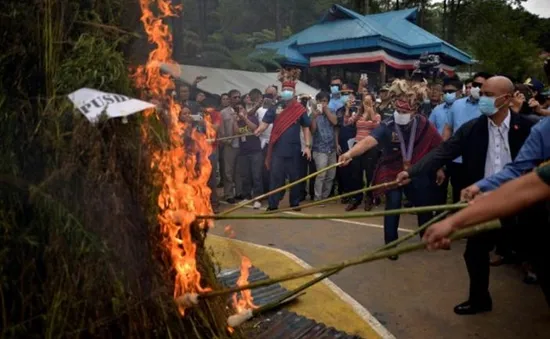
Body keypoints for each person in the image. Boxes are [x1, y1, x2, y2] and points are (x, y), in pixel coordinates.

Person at [397, 76, 536, 315]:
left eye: (488, 95)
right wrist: (412, 172)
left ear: (507, 99)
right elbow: (443, 152)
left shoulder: (527, 128)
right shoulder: (472, 129)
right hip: (485, 202)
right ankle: (480, 299)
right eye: (481, 93)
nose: (482, 99)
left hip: (523, 201)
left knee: (536, 251)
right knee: (474, 253)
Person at [338, 92, 443, 257]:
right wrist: (349, 154)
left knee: (424, 204)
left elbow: (438, 146)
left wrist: (439, 168)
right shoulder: (388, 124)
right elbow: (368, 141)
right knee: (393, 205)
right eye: (398, 111)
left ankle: (426, 237)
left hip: (416, 170)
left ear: (414, 112)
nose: (399, 115)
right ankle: (391, 245)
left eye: (404, 113)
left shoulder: (424, 124)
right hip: (392, 170)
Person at [254, 69, 312, 211]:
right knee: (275, 178)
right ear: (281, 91)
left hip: (293, 150)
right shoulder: (275, 107)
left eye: (289, 90)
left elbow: (306, 128)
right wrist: (259, 129)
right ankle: (273, 205)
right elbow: (265, 122)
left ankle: (295, 203)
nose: (286, 91)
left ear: (293, 91)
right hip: (277, 149)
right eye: (284, 89)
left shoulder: (299, 109)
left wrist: (308, 146)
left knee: (295, 178)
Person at [443, 72, 493, 203]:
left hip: (480, 162)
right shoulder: (457, 104)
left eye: (480, 85)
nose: (476, 88)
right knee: (458, 198)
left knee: (478, 200)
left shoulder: (489, 107)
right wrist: (444, 152)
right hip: (457, 161)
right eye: (475, 84)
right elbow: (448, 128)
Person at [428, 77, 463, 204]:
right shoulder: (437, 110)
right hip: (441, 156)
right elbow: (430, 133)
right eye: (446, 91)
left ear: (460, 92)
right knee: (438, 191)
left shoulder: (465, 109)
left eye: (451, 91)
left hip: (460, 159)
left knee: (459, 192)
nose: (448, 94)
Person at [345, 93, 381, 211]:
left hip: (370, 147)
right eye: (364, 102)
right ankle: (356, 198)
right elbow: (347, 122)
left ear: (374, 103)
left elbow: (378, 129)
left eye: (369, 101)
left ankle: (369, 198)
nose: (366, 104)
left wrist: (371, 113)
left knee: (370, 174)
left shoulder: (377, 116)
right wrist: (347, 110)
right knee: (355, 173)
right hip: (358, 145)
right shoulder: (359, 115)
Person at [233, 101, 263, 209]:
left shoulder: (252, 117)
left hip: (255, 151)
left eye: (241, 108)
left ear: (245, 109)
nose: (239, 111)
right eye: (237, 110)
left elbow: (254, 128)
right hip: (243, 152)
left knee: (256, 176)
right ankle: (247, 196)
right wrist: (235, 121)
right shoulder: (237, 121)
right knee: (245, 176)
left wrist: (245, 118)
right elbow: (236, 132)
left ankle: (258, 198)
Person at [310, 91, 338, 202]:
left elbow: (335, 122)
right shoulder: (313, 113)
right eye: (321, 101)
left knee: (331, 175)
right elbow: (312, 131)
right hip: (319, 149)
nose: (323, 103)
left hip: (331, 148)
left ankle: (325, 197)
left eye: (325, 101)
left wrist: (326, 110)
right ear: (317, 101)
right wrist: (314, 117)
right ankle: (318, 198)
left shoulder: (331, 111)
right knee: (321, 175)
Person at [220, 89, 243, 203]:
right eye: (235, 97)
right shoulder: (224, 113)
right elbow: (221, 130)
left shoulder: (243, 111)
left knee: (239, 171)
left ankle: (239, 192)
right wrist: (226, 141)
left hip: (242, 144)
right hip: (230, 145)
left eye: (239, 97)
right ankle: (228, 194)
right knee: (228, 171)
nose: (237, 99)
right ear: (229, 99)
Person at [257, 86, 277, 194]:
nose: (270, 97)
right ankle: (264, 192)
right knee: (264, 169)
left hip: (276, 143)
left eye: (272, 95)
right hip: (263, 143)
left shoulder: (279, 107)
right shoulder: (259, 110)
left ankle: (274, 191)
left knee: (275, 169)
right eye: (268, 95)